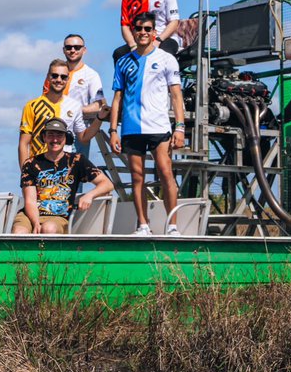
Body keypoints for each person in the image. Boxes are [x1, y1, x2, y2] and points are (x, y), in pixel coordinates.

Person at [109, 12, 186, 236]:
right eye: (139, 29)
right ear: (133, 31)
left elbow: (176, 96)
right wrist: (113, 130)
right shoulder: (123, 61)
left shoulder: (166, 59)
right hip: (132, 127)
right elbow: (117, 99)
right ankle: (143, 225)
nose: (143, 32)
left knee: (165, 173)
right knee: (137, 176)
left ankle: (172, 226)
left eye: (147, 29)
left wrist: (180, 127)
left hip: (159, 126)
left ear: (154, 32)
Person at [13, 119, 115, 234]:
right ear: (44, 138)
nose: (55, 139)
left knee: (48, 229)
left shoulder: (77, 160)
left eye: (59, 135)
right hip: (30, 214)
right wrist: (36, 223)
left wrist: (89, 195)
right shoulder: (31, 163)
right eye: (50, 135)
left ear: (66, 138)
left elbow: (107, 184)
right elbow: (30, 201)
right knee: (19, 232)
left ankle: (50, 253)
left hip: (58, 217)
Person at [20, 59, 106, 167]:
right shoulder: (32, 105)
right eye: (54, 76)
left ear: (68, 79)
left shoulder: (75, 106)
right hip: (39, 167)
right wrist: (25, 174)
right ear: (48, 77)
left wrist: (100, 118)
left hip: (65, 169)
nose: (59, 80)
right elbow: (24, 144)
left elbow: (83, 137)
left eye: (63, 77)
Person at [60, 33, 108, 159]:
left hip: (77, 131)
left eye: (77, 47)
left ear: (84, 50)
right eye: (69, 47)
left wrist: (75, 110)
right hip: (53, 129)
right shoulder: (56, 72)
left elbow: (100, 104)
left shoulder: (91, 75)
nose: (73, 50)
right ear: (64, 50)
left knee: (75, 173)